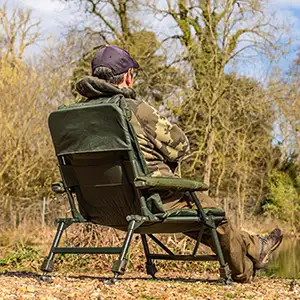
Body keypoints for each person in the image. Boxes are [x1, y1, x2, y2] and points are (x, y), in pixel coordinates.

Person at [75, 45, 283, 283]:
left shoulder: (74, 116)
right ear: (128, 77)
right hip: (150, 198)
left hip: (99, 207)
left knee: (198, 221)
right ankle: (244, 270)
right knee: (216, 217)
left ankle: (256, 245)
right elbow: (181, 146)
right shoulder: (135, 109)